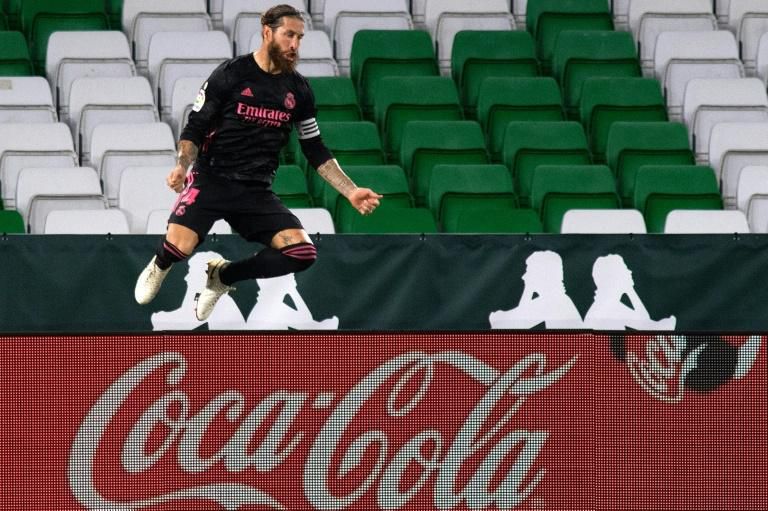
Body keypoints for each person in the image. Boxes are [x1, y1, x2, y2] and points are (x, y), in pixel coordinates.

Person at [134, 4, 382, 321]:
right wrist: (182, 166)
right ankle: (160, 263)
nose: (295, 45)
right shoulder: (231, 75)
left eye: (300, 38)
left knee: (302, 252)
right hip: (212, 179)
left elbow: (314, 147)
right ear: (267, 32)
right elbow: (194, 128)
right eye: (289, 35)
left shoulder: (299, 90)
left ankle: (223, 276)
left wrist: (350, 191)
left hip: (255, 191)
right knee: (179, 248)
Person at [488, 250, 583, 329]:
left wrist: (528, 288)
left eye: (528, 271)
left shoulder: (554, 301)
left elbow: (514, 324)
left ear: (542, 275)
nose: (524, 276)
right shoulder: (556, 299)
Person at [584, 254, 676, 330]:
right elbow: (645, 326)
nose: (630, 272)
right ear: (615, 277)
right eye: (625, 269)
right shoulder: (606, 308)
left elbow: (645, 322)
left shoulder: (611, 304)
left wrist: (630, 290)